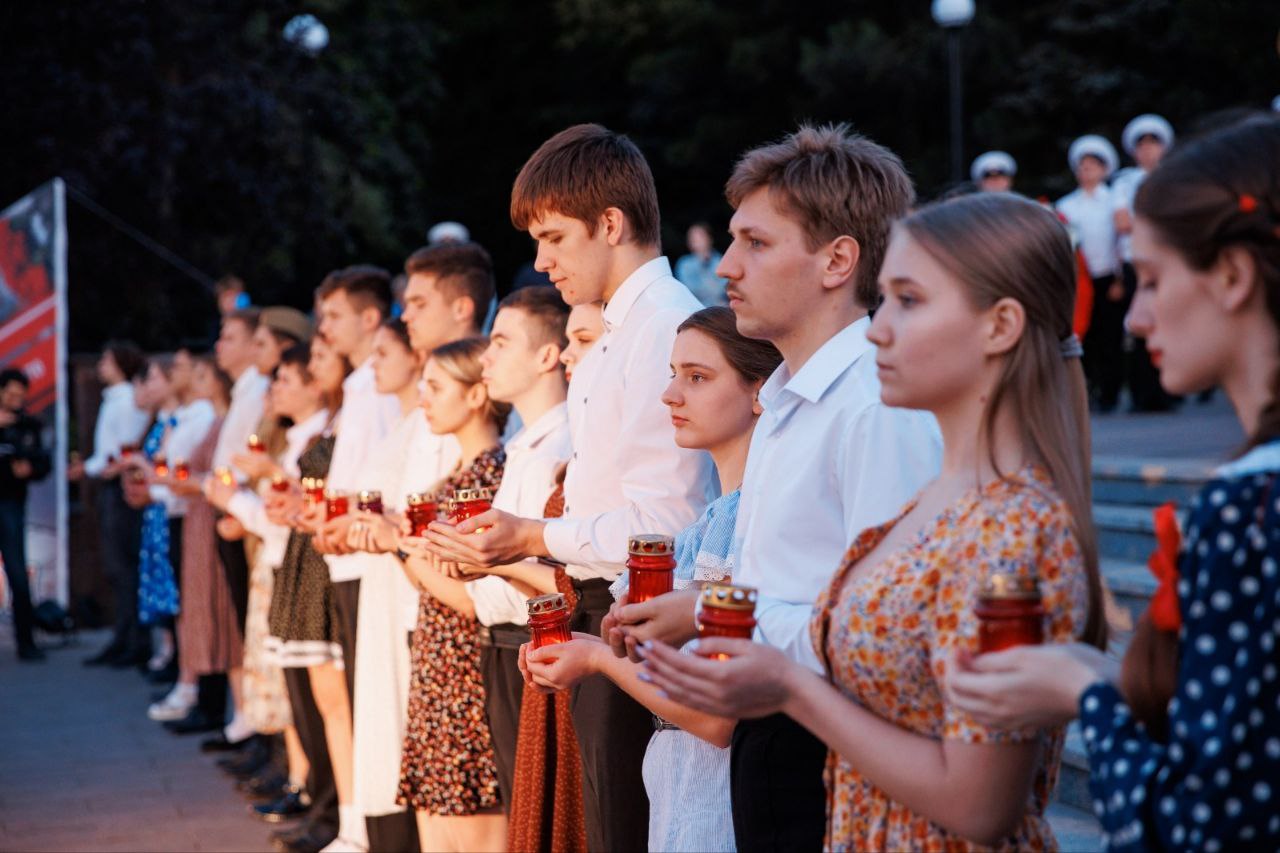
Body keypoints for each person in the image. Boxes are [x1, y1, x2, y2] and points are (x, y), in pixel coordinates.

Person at [644, 191, 1105, 850]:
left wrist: (789, 685)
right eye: (885, 299)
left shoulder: (1012, 526)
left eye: (909, 302)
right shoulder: (935, 502)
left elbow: (979, 803)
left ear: (999, 326)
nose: (879, 327)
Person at [946, 116, 1280, 853]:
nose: (1137, 312)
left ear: (1232, 276)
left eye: (1155, 280)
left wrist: (1084, 691)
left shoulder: (1251, 506)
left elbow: (1202, 827)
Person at [610, 124, 942, 851]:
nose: (726, 265)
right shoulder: (791, 398)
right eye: (733, 241)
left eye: (756, 243)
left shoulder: (872, 405)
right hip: (775, 739)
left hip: (835, 754)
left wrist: (718, 617)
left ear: (837, 260)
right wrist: (700, 612)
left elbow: (887, 632)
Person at [421, 123, 717, 853]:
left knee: (618, 830)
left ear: (610, 224)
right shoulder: (621, 329)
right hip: (597, 607)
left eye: (553, 237)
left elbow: (666, 521)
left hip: (634, 614)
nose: (540, 260)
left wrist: (529, 535)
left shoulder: (663, 328)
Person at [524, 306, 781, 851]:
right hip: (679, 797)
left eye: (697, 377)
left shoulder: (754, 521)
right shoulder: (704, 526)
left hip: (724, 809)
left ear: (761, 391)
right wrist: (591, 646)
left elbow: (716, 718)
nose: (670, 395)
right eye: (672, 373)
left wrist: (598, 658)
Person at [395, 337, 509, 853]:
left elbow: (471, 597)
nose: (424, 398)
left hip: (465, 662)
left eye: (436, 387)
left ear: (476, 395)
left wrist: (406, 554)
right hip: (440, 660)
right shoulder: (458, 476)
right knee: (439, 820)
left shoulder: (489, 476)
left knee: (471, 823)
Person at [503, 299, 602, 853]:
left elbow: (578, 571)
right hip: (554, 638)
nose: (570, 354)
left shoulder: (564, 443)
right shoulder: (568, 453)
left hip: (584, 638)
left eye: (584, 341)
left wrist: (513, 553)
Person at [309, 265, 400, 853]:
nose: (326, 328)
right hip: (347, 550)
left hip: (370, 553)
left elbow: (381, 477)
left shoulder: (382, 380)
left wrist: (345, 516)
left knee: (373, 698)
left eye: (335, 315)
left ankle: (369, 828)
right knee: (357, 693)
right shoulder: (360, 383)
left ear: (370, 317)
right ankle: (357, 823)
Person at [263, 336, 349, 853]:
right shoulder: (337, 419)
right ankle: (323, 803)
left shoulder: (348, 415)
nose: (315, 370)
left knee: (332, 704)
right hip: (304, 557)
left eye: (320, 357)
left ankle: (335, 811)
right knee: (312, 700)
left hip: (324, 561)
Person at [75, 341, 151, 666]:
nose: (101, 365)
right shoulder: (116, 399)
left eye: (107, 359)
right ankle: (124, 637)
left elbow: (123, 450)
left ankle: (134, 640)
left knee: (124, 566)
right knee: (117, 567)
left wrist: (95, 467)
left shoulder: (129, 401)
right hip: (110, 484)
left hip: (121, 486)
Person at [1113, 113, 1179, 412]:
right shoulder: (1125, 183)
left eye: (1154, 144)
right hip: (1135, 264)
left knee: (1169, 322)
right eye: (1143, 145)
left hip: (1168, 261)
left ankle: (1169, 390)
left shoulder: (1176, 177)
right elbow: (1122, 222)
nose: (1148, 150)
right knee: (1138, 328)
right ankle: (1142, 395)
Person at [1057, 134, 1123, 411]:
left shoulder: (1113, 202)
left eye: (1093, 166)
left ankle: (1111, 393)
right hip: (1081, 281)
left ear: (1105, 169)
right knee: (1087, 337)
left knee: (1111, 336)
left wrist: (1120, 277)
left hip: (1108, 277)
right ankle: (1090, 390)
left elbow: (1122, 242)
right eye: (1083, 167)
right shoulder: (1066, 206)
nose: (1087, 172)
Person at [0, 368, 51, 660]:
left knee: (18, 573)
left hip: (10, 504)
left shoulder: (28, 425)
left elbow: (42, 462)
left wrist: (30, 469)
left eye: (21, 395)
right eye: (11, 394)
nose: (16, 400)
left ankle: (26, 641)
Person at [674, 222, 729, 307]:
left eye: (700, 236)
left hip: (721, 312)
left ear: (710, 238)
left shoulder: (722, 261)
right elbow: (688, 291)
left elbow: (726, 289)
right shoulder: (684, 264)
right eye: (692, 238)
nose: (696, 241)